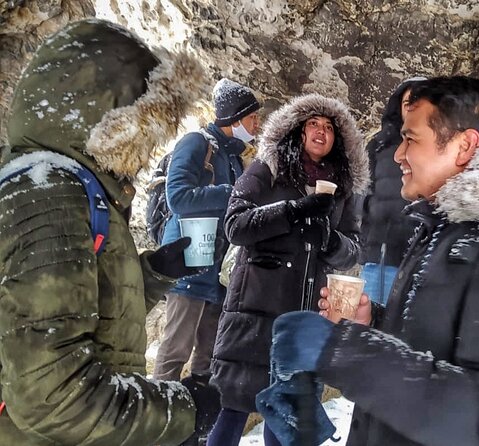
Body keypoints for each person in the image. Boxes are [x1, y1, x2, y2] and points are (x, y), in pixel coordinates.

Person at [262, 76, 479, 445]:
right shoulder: (450, 228)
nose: (399, 154)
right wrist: (374, 323)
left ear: (465, 145)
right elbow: (441, 346)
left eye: (411, 139)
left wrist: (344, 353)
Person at [0, 19, 218, 445]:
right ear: (110, 116)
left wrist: (153, 272)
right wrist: (182, 410)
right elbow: (53, 398)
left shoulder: (68, 185)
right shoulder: (48, 196)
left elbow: (84, 306)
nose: (150, 147)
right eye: (146, 124)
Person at [207, 93, 369, 446]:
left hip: (304, 315)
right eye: (313, 123)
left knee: (286, 417)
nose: (321, 132)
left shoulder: (344, 188)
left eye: (329, 127)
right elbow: (235, 225)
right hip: (255, 307)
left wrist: (328, 240)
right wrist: (293, 211)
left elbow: (353, 249)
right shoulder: (269, 166)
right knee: (234, 407)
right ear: (298, 130)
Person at [153, 79, 261, 440]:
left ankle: (194, 428)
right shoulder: (196, 142)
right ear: (235, 117)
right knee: (175, 350)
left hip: (216, 272)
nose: (257, 126)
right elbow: (178, 197)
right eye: (253, 118)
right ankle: (156, 424)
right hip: (186, 265)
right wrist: (232, 193)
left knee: (208, 355)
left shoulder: (233, 156)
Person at [360, 76, 425, 305]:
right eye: (408, 102)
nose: (412, 107)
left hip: (419, 254)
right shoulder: (379, 144)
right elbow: (363, 194)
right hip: (379, 255)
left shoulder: (437, 146)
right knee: (369, 325)